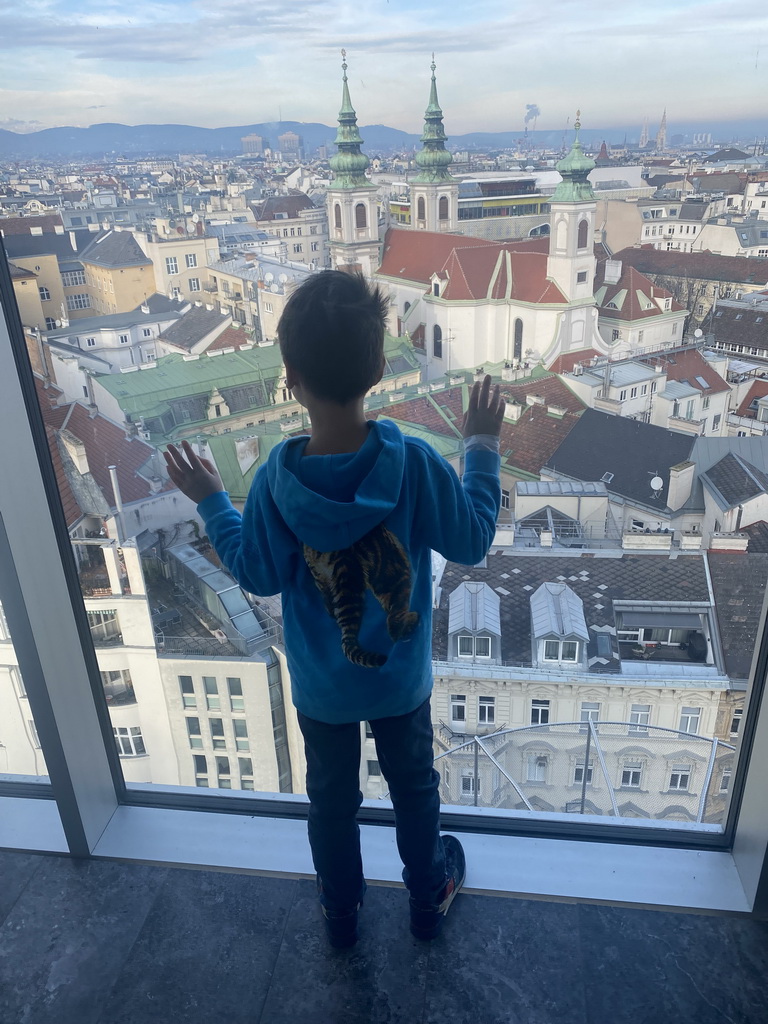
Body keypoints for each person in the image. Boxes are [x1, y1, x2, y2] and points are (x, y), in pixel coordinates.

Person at [164, 270, 504, 948]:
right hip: (399, 681)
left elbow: (258, 572)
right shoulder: (416, 463)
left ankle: (341, 913)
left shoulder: (273, 483)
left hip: (322, 687)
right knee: (414, 791)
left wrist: (211, 502)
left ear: (289, 376)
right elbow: (471, 539)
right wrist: (482, 447)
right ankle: (425, 896)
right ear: (379, 366)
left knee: (331, 802)